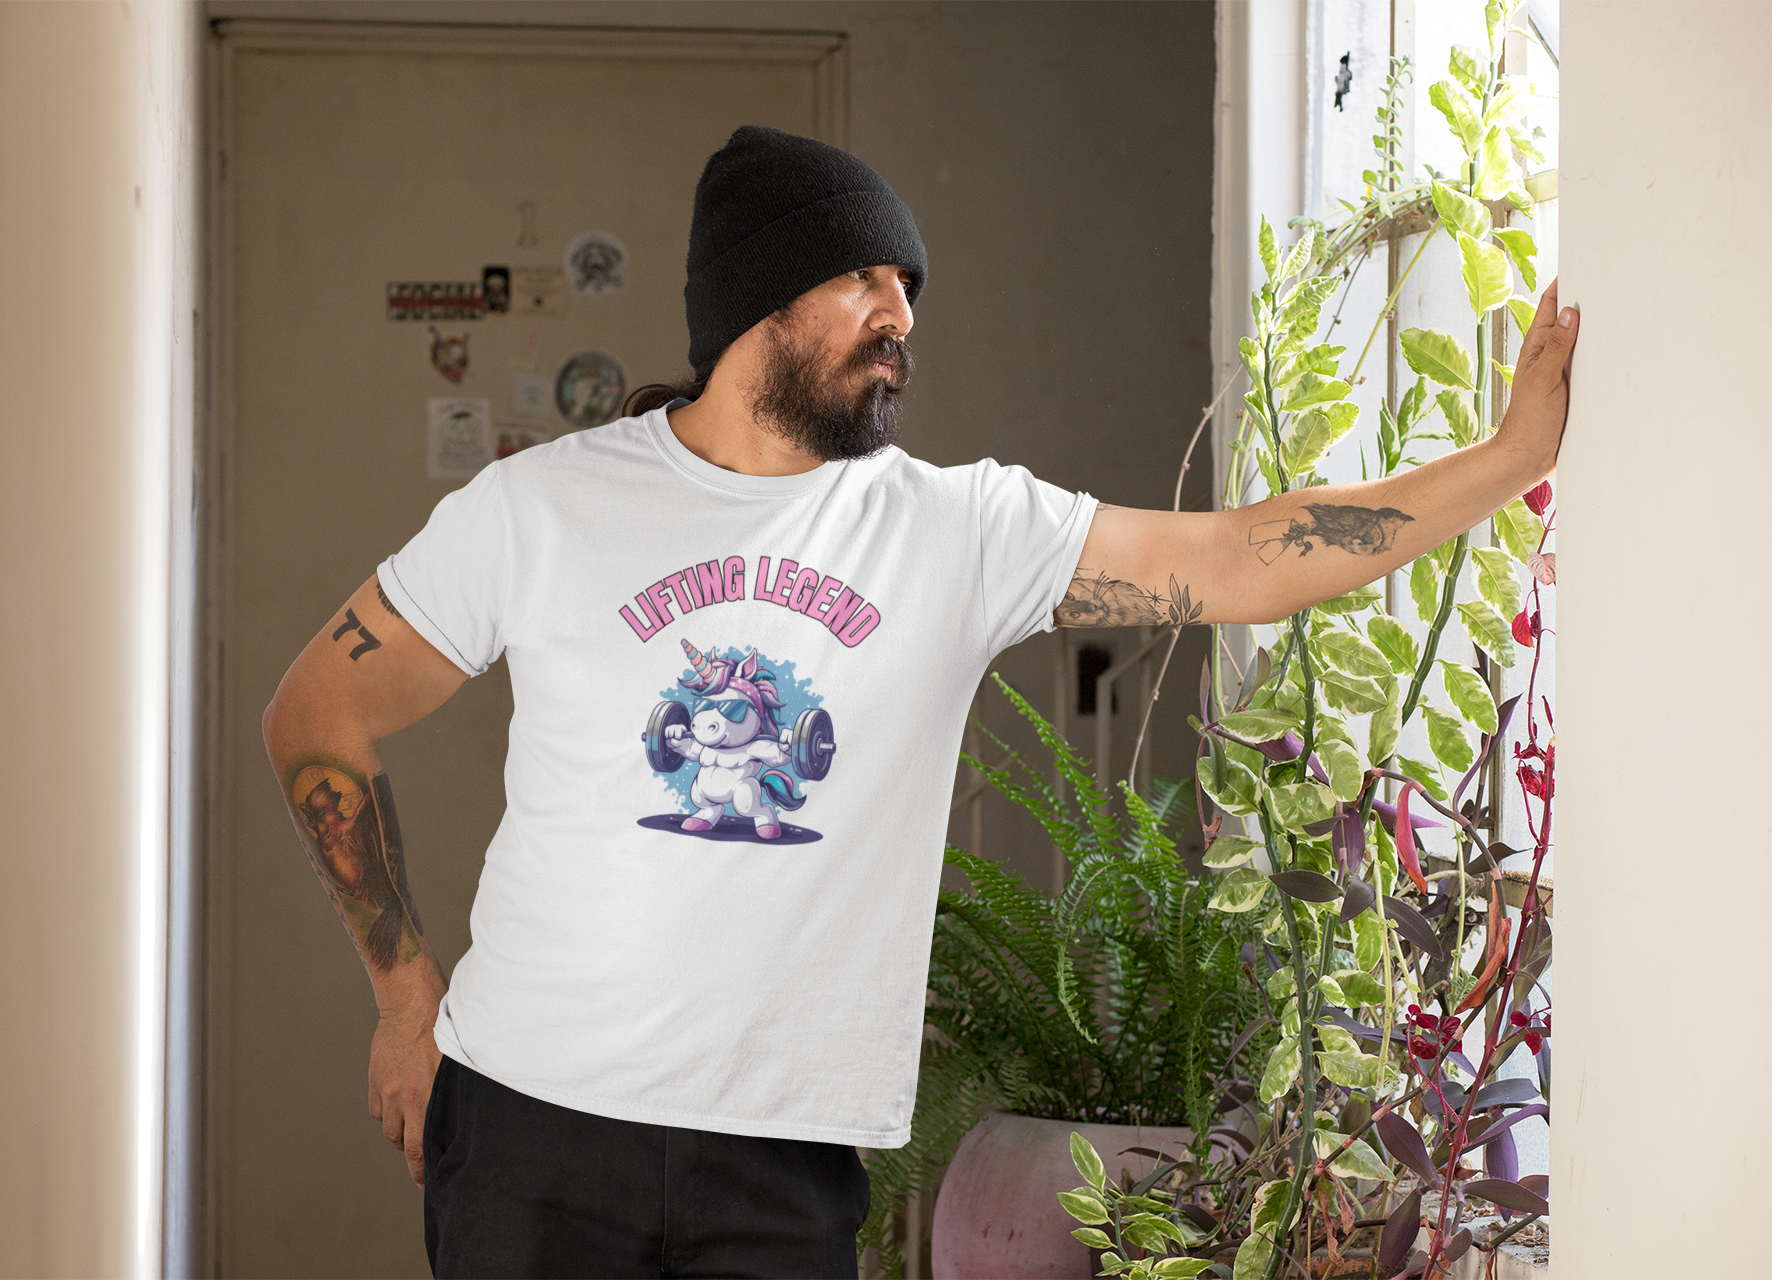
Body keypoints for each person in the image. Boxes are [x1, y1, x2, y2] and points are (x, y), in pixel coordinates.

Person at [262, 125, 1578, 1278]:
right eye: (863, 277)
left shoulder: (959, 531)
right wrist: (403, 1000)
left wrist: (1509, 458)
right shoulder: (543, 509)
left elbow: (1240, 561)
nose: (901, 312)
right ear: (753, 300)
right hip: (528, 1128)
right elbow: (319, 710)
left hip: (783, 1164)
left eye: (911, 286)